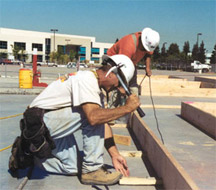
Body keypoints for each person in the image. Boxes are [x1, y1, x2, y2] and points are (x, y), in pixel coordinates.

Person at [12, 55, 140, 186]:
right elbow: (94, 118)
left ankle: (28, 155)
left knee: (72, 167)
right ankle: (92, 169)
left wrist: (114, 155)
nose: (117, 87)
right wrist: (127, 108)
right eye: (119, 82)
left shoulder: (94, 86)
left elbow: (104, 123)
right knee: (93, 116)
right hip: (37, 122)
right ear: (111, 72)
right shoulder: (87, 79)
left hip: (45, 126)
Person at [106, 27, 160, 96]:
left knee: (133, 89)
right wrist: (122, 87)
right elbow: (122, 67)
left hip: (131, 63)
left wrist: (147, 68)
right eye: (144, 48)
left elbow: (148, 54)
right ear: (142, 41)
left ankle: (133, 102)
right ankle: (114, 103)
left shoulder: (149, 42)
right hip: (115, 63)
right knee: (117, 90)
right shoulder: (129, 45)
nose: (145, 50)